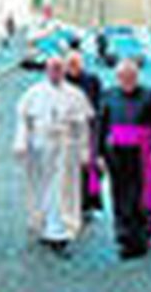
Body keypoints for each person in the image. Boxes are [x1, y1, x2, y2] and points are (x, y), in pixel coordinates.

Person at [12, 56, 94, 251]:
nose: (55, 72)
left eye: (59, 68)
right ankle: (43, 224)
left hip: (66, 147)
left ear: (64, 71)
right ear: (46, 70)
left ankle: (61, 227)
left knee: (63, 188)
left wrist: (84, 150)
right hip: (40, 146)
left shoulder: (75, 94)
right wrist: (21, 142)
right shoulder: (33, 93)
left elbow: (83, 127)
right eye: (52, 68)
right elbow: (23, 121)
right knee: (42, 187)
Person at [98, 58, 151, 259]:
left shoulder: (150, 95)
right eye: (123, 77)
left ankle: (141, 237)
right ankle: (123, 236)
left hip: (141, 153)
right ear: (118, 78)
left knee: (139, 195)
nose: (127, 80)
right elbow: (101, 128)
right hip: (116, 154)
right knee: (119, 194)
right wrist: (99, 155)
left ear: (137, 77)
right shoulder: (108, 96)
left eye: (131, 77)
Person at [63, 49, 105, 215]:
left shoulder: (92, 80)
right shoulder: (62, 80)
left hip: (87, 128)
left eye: (76, 64)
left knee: (87, 168)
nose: (73, 67)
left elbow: (98, 104)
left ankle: (87, 203)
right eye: (70, 64)